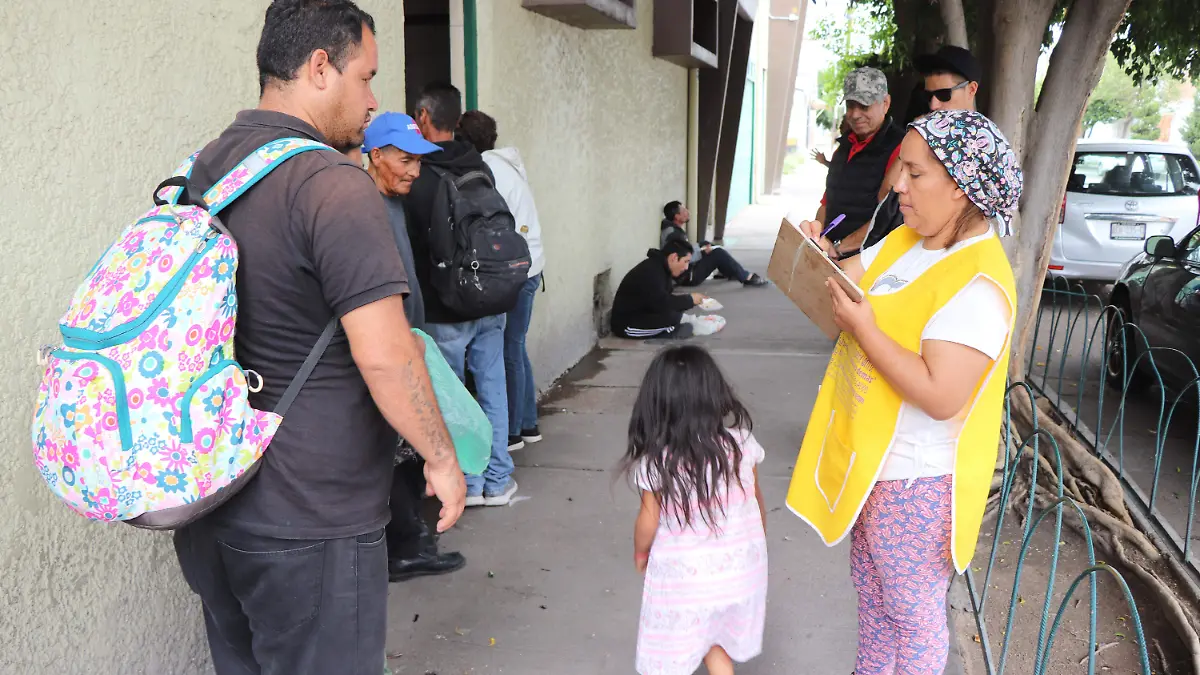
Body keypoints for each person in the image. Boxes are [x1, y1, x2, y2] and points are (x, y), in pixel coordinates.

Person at [172, 3, 466, 674]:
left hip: (214, 509)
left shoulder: (206, 170)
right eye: (365, 77)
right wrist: (441, 458)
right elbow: (388, 355)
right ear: (318, 68)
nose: (374, 100)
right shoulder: (333, 187)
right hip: (312, 524)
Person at [785, 109, 1021, 674]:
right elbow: (846, 288)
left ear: (962, 188)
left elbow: (942, 396)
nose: (898, 186)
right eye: (901, 171)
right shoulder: (908, 243)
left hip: (917, 484)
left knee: (912, 626)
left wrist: (866, 329)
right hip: (874, 469)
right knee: (874, 608)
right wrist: (813, 254)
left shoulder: (979, 282)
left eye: (915, 173)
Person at [357, 113, 468, 582]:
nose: (414, 172)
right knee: (399, 452)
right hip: (390, 353)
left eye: (419, 163)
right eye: (405, 160)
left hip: (411, 344)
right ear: (375, 155)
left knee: (405, 451)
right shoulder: (362, 207)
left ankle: (407, 541)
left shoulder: (394, 202)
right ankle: (405, 547)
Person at [623, 345, 768, 675]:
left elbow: (649, 519)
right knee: (713, 640)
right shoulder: (742, 444)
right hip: (741, 570)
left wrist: (640, 553)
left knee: (674, 653)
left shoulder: (657, 462)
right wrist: (755, 544)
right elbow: (755, 500)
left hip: (686, 579)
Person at [406, 83, 517, 507]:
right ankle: (498, 479)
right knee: (492, 388)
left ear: (421, 117)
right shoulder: (479, 166)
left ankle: (466, 484)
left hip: (446, 305)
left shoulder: (420, 175)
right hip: (491, 295)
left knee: (452, 399)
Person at [456, 110, 546, 452]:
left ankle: (510, 432)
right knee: (516, 346)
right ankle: (527, 423)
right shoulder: (504, 165)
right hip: (530, 265)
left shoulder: (487, 171)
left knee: (508, 349)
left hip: (516, 271)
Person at [858, 45, 985, 254]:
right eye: (929, 96)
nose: (934, 104)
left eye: (944, 95)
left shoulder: (986, 150)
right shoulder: (922, 134)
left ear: (971, 89)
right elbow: (887, 192)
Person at [816, 67, 906, 259]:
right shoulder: (844, 146)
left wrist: (840, 248)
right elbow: (826, 201)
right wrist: (818, 239)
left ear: (885, 103)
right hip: (830, 256)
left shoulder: (901, 149)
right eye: (850, 106)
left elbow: (887, 215)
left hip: (868, 262)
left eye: (864, 106)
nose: (855, 115)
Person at [610, 239, 708, 340]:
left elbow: (662, 301)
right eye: (685, 261)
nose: (686, 267)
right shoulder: (651, 272)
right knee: (676, 321)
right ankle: (671, 332)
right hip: (628, 325)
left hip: (646, 312)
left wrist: (688, 302)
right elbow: (662, 304)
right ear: (674, 257)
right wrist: (690, 300)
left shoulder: (660, 268)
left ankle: (677, 327)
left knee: (675, 316)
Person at [660, 201, 768, 287]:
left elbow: (683, 250)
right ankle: (746, 277)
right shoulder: (674, 235)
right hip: (688, 277)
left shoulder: (672, 229)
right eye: (683, 210)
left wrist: (701, 247)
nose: (687, 212)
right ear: (677, 217)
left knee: (705, 244)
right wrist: (701, 252)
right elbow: (680, 259)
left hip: (687, 271)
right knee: (717, 253)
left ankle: (729, 270)